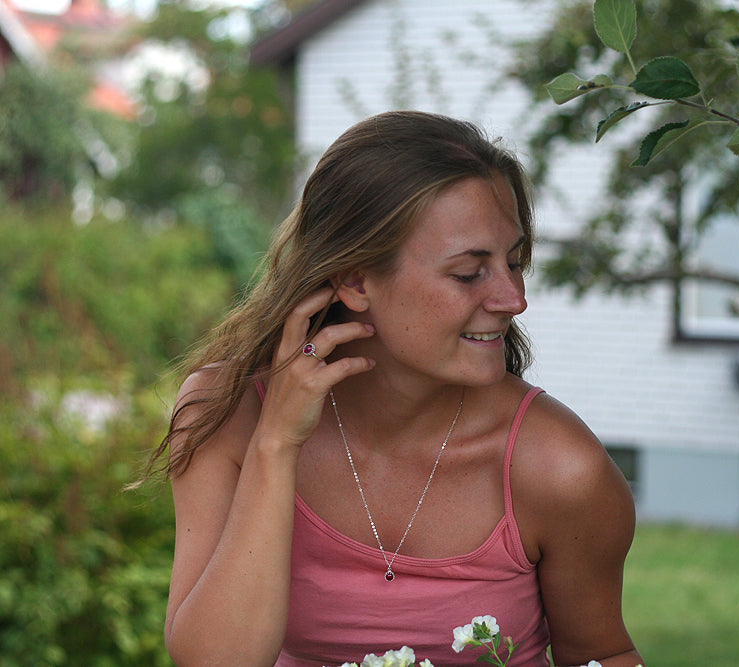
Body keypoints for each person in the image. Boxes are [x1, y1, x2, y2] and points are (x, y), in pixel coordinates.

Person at [153, 110, 643, 667]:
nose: (513, 299)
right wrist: (276, 445)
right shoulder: (223, 415)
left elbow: (604, 655)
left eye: (514, 262)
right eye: (468, 273)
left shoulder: (559, 469)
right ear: (357, 280)